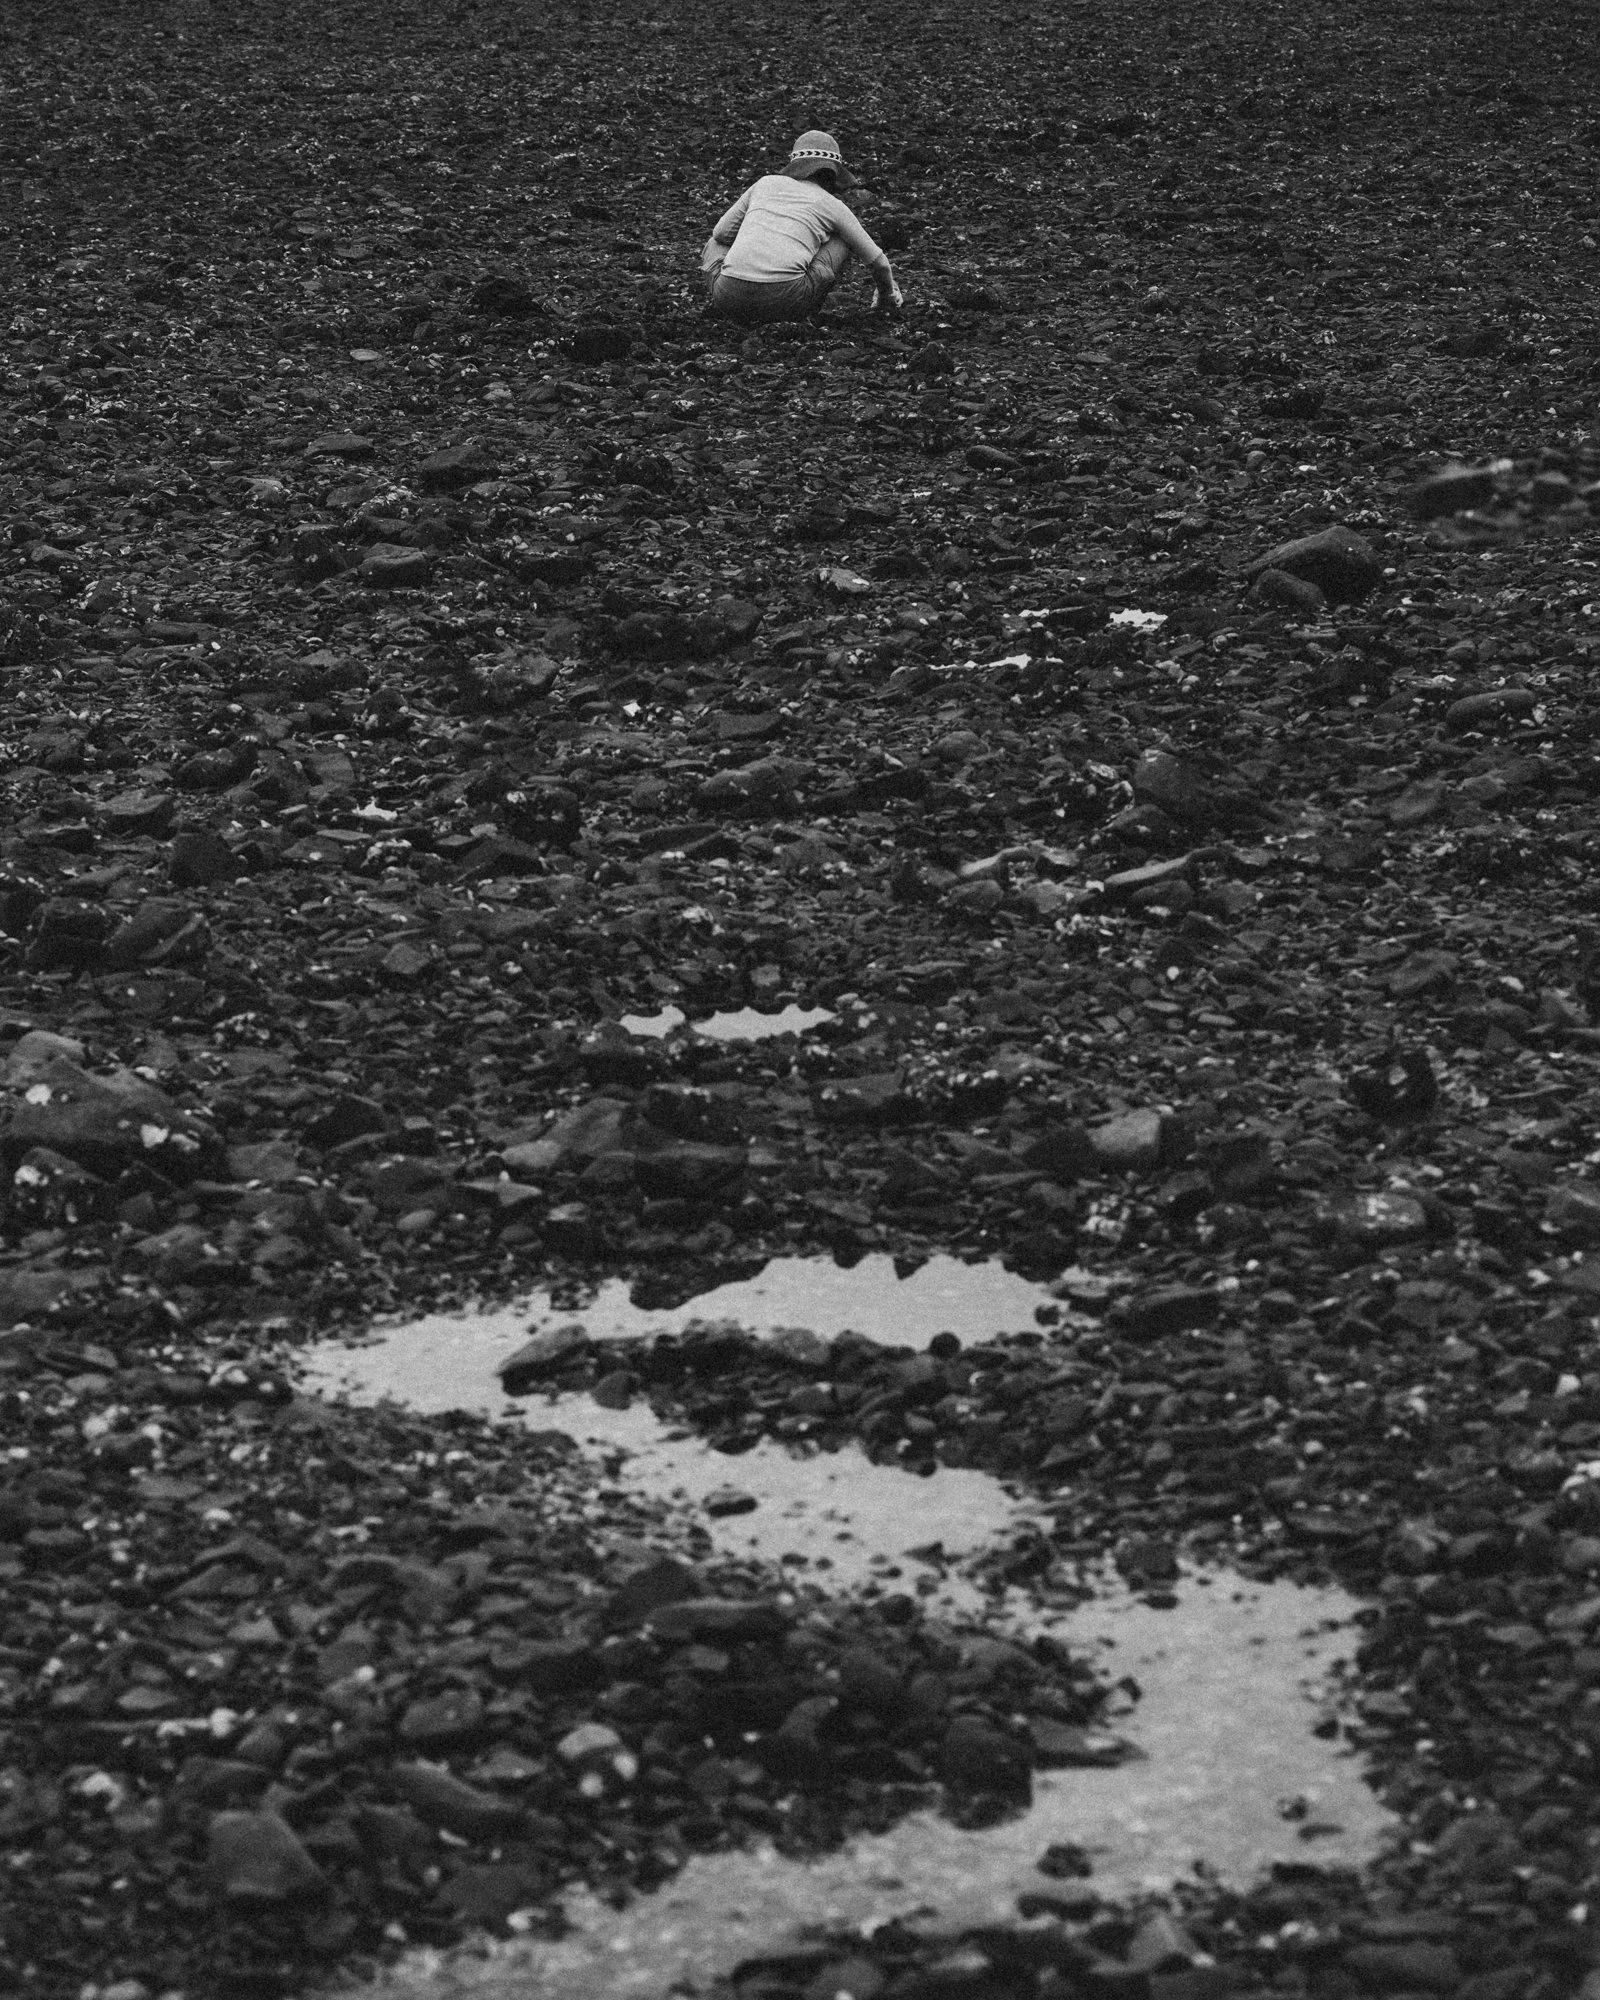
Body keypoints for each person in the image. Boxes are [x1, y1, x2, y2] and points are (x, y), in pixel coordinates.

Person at [701, 130, 904, 327]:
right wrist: (886, 295)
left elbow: (721, 233)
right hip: (787, 303)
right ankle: (808, 314)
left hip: (729, 298)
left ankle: (741, 307)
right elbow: (879, 263)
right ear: (833, 172)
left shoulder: (765, 184)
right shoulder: (831, 204)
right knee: (842, 239)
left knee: (713, 243)